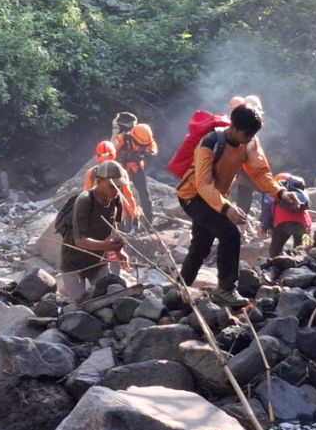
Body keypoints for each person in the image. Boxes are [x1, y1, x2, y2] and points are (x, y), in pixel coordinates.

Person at [175, 102, 300, 308]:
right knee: (229, 233)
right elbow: (203, 184)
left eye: (252, 135)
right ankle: (225, 289)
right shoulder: (210, 143)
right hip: (193, 196)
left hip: (215, 196)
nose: (250, 139)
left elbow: (259, 173)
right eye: (246, 135)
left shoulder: (249, 143)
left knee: (201, 244)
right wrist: (226, 208)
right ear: (233, 127)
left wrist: (280, 192)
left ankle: (180, 288)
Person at [59, 160, 128, 301]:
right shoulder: (84, 200)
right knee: (80, 303)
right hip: (74, 263)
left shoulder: (116, 199)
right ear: (99, 181)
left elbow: (113, 227)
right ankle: (67, 289)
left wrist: (118, 251)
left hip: (97, 261)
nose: (117, 190)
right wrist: (105, 245)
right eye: (112, 186)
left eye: (119, 186)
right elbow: (80, 241)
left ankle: (69, 289)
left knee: (108, 298)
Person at [113, 116, 157, 226]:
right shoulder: (121, 139)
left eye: (144, 146)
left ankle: (148, 222)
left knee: (144, 193)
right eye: (140, 145)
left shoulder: (147, 140)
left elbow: (154, 149)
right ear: (132, 138)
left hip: (136, 167)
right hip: (121, 169)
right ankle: (122, 223)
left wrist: (146, 154)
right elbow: (112, 155)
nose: (141, 148)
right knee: (121, 195)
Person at [84, 140, 140, 223]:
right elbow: (127, 197)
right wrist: (135, 215)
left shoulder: (92, 173)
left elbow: (86, 197)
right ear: (113, 154)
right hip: (114, 218)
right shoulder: (121, 172)